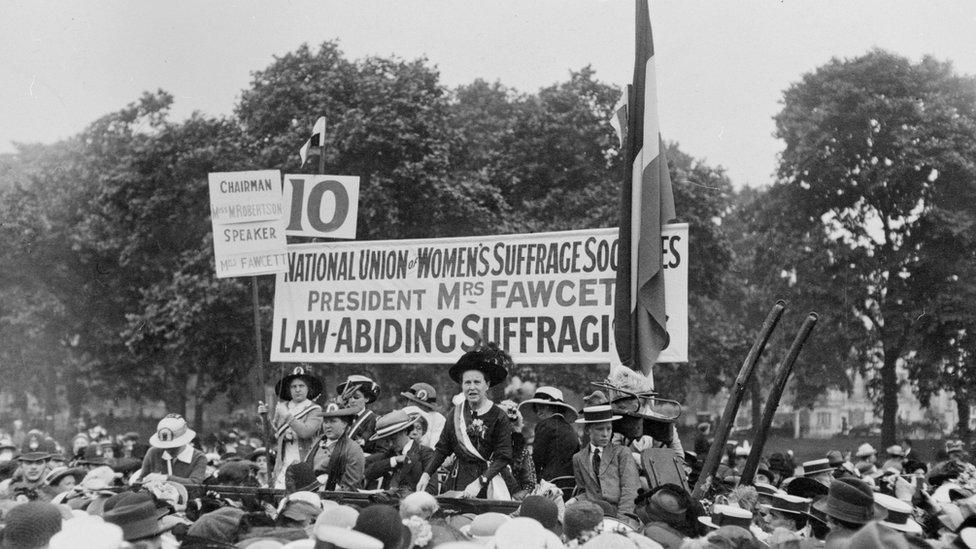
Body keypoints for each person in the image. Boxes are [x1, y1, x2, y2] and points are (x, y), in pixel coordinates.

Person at [417, 344, 514, 499]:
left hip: (488, 481)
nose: (472, 387)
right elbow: (442, 449)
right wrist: (426, 474)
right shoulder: (454, 413)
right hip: (458, 479)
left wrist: (480, 482)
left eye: (477, 382)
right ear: (462, 385)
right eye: (467, 383)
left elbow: (503, 456)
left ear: (487, 385)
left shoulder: (499, 416)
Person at [259, 366, 324, 489]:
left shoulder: (315, 410)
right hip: (283, 464)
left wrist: (287, 416)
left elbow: (306, 432)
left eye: (301, 386)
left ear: (308, 388)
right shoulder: (282, 407)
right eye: (293, 387)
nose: (297, 390)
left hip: (304, 464)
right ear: (289, 390)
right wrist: (264, 418)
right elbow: (274, 437)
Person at [571, 398, 639, 515]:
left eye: (609, 428)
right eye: (600, 429)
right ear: (588, 430)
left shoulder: (622, 453)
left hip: (619, 512)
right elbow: (584, 491)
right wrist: (575, 500)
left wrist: (622, 521)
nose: (605, 434)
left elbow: (630, 490)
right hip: (593, 514)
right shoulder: (578, 458)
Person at [518, 386, 579, 481]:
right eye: (536, 408)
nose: (538, 412)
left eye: (542, 407)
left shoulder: (544, 425)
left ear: (553, 407)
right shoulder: (570, 429)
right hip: (572, 483)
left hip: (551, 483)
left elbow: (537, 458)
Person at [365, 410, 431, 497]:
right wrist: (393, 460)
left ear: (405, 431)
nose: (390, 444)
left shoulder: (425, 453)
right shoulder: (389, 454)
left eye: (394, 439)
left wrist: (401, 495)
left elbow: (432, 489)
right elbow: (368, 472)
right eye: (387, 441)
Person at [305, 401, 365, 491]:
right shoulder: (316, 443)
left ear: (344, 424)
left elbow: (351, 485)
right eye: (325, 422)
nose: (328, 426)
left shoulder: (353, 449)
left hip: (336, 498)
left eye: (333, 421)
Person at [139, 414, 208, 485]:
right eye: (163, 445)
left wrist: (165, 478)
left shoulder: (198, 457)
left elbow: (195, 483)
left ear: (183, 441)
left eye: (173, 446)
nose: (167, 449)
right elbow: (140, 480)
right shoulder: (153, 453)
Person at [496, 399, 536, 500]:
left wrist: (517, 495)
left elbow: (529, 482)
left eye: (510, 423)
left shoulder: (522, 452)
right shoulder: (484, 446)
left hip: (510, 501)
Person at [336, 374, 381, 452]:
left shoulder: (375, 420)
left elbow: (380, 451)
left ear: (366, 399)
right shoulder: (342, 418)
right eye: (349, 397)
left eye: (356, 397)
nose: (352, 401)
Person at [400, 382, 447, 447]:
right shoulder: (439, 418)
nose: (408, 403)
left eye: (411, 401)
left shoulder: (438, 419)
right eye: (409, 400)